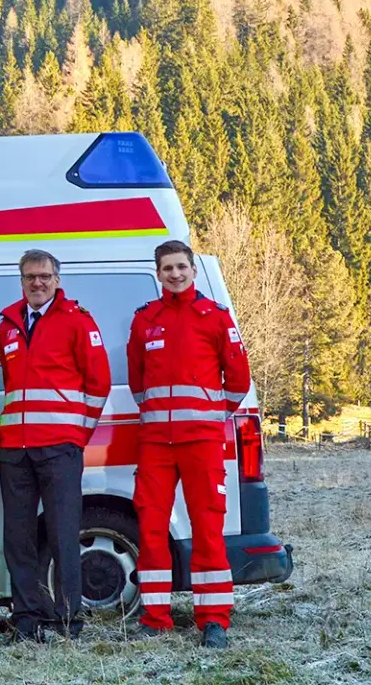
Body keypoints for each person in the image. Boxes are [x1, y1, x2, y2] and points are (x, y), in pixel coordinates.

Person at [126, 240, 251, 649]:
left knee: (208, 530)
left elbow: (238, 380)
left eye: (181, 267)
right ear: (158, 274)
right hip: (156, 445)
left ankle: (214, 619)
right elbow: (138, 382)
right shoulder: (145, 320)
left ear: (193, 271)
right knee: (150, 528)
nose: (175, 274)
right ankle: (154, 616)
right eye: (167, 268)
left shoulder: (215, 318)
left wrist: (211, 418)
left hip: (202, 444)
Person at [0, 249, 110, 642]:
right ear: (21, 281)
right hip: (15, 450)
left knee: (64, 536)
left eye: (44, 276)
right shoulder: (8, 324)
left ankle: (67, 620)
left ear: (57, 279)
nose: (37, 283)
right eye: (30, 277)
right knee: (18, 538)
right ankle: (26, 619)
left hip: (60, 448)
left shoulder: (77, 321)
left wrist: (78, 437)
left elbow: (99, 384)